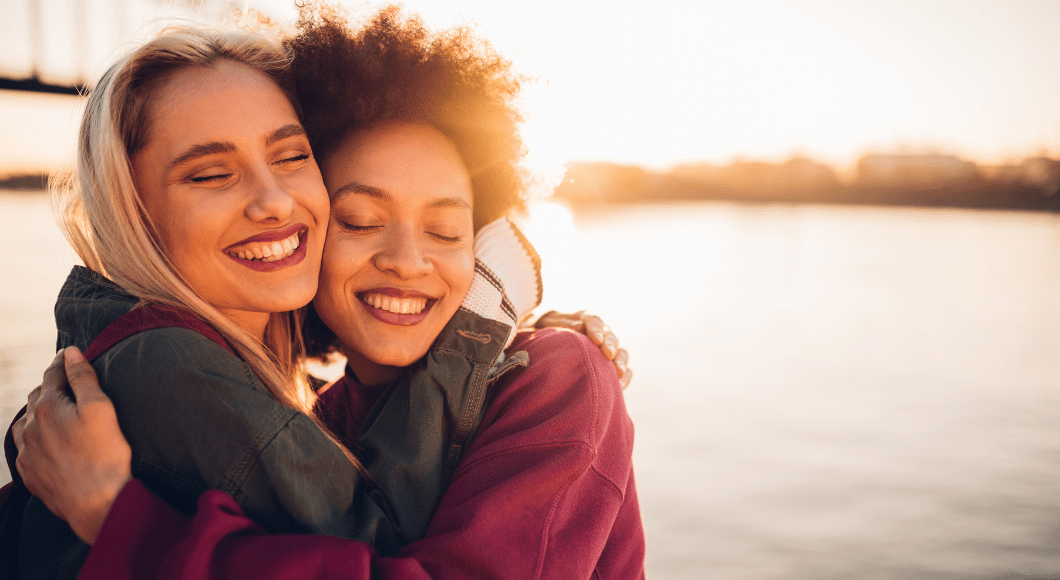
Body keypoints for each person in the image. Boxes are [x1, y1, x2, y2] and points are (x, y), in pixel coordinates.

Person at [11, 5, 644, 579]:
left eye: (447, 231)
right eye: (360, 221)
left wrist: (120, 521)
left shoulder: (557, 375)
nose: (405, 261)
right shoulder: (295, 409)